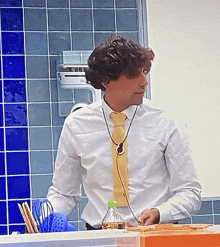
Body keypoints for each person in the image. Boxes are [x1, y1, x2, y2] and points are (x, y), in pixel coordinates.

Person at [47, 35, 202, 230]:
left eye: (144, 72)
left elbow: (190, 192)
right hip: (101, 237)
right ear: (107, 81)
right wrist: (47, 216)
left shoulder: (165, 121)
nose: (144, 81)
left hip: (155, 234)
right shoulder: (77, 125)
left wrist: (160, 212)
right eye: (133, 75)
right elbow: (64, 193)